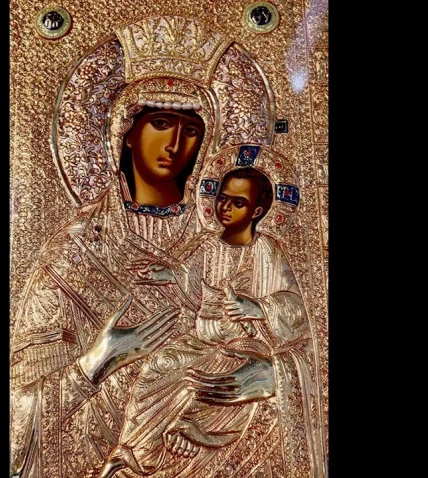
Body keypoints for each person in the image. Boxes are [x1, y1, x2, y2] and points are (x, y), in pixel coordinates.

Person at [10, 77, 254, 477]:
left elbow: (272, 340)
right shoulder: (78, 247)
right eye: (161, 123)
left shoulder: (227, 242)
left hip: (205, 441)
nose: (175, 144)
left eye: (191, 130)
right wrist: (101, 358)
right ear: (125, 132)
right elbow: (19, 411)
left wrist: (255, 379)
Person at [91, 162, 320, 478]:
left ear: (257, 211)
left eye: (238, 202)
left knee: (205, 384)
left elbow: (296, 305)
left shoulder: (267, 250)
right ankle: (134, 452)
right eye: (223, 198)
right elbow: (190, 278)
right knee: (157, 367)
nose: (225, 207)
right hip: (200, 341)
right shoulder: (207, 244)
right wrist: (168, 274)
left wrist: (259, 307)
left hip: (243, 345)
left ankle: (187, 430)